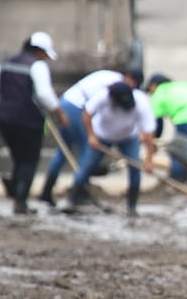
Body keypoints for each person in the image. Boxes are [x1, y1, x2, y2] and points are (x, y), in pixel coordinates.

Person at [0, 31, 69, 216]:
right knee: (29, 161)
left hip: (4, 117)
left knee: (18, 159)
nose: (46, 58)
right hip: (27, 120)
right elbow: (44, 94)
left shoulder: (5, 62)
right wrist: (60, 113)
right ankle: (20, 203)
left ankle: (17, 195)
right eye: (45, 54)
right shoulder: (37, 65)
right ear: (39, 51)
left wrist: (11, 93)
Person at [63, 80, 157, 217]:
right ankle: (71, 201)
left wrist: (149, 160)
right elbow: (86, 115)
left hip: (128, 137)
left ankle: (132, 208)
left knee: (135, 168)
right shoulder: (103, 96)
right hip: (102, 135)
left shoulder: (141, 102)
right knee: (87, 166)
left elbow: (148, 133)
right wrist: (92, 136)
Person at [37, 66, 128, 206]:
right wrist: (93, 135)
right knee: (87, 151)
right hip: (77, 107)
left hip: (66, 103)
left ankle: (46, 191)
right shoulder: (116, 83)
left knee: (63, 151)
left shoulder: (109, 76)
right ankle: (79, 192)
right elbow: (95, 110)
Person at [145, 73, 187, 182]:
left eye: (150, 90)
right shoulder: (183, 85)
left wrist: (154, 140)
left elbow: (157, 122)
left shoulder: (159, 93)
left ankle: (177, 180)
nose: (150, 93)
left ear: (154, 85)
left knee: (177, 153)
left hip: (185, 121)